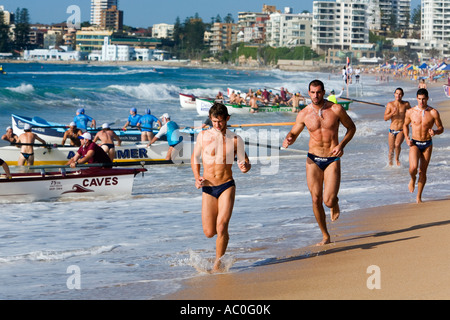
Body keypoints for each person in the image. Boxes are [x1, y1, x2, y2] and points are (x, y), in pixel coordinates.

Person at [283, 80, 356, 246]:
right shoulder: (304, 114)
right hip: (313, 159)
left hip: (332, 158)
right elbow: (294, 132)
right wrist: (289, 139)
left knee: (328, 201)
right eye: (312, 92)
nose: (315, 96)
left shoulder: (336, 109)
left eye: (318, 92)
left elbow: (351, 128)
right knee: (315, 199)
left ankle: (334, 204)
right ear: (308, 93)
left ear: (323, 92)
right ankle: (325, 236)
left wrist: (341, 145)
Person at [191, 102, 251, 271]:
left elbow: (245, 162)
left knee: (222, 226)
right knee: (209, 232)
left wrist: (245, 167)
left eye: (220, 121)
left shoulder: (235, 139)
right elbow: (194, 158)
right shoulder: (203, 136)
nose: (217, 125)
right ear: (210, 120)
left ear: (227, 119)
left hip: (227, 185)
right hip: (208, 187)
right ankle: (222, 239)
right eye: (214, 121)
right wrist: (197, 178)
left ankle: (218, 263)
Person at [403, 88, 444, 203]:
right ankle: (412, 179)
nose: (421, 102)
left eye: (424, 99)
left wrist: (435, 132)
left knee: (423, 171)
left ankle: (418, 197)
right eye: (419, 99)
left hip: (427, 144)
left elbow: (441, 128)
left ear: (427, 99)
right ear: (417, 98)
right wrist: (406, 138)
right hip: (415, 143)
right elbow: (405, 125)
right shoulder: (410, 112)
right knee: (413, 168)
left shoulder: (433, 112)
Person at [384, 88, 411, 166]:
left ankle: (397, 159)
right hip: (392, 130)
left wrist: (412, 122)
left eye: (400, 94)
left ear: (402, 95)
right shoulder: (390, 105)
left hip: (401, 129)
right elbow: (385, 118)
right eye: (396, 93)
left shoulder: (406, 104)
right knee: (391, 149)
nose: (398, 95)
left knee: (397, 145)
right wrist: (392, 112)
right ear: (394, 94)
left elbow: (411, 113)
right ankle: (390, 164)